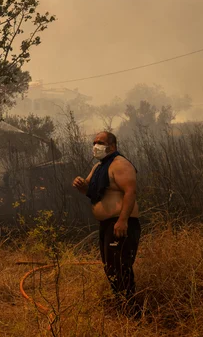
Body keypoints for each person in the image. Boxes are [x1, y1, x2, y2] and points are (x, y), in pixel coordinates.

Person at [72, 131, 141, 312]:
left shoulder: (121, 164)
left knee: (120, 267)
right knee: (111, 268)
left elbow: (130, 192)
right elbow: (90, 190)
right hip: (107, 225)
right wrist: (81, 185)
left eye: (100, 142)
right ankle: (122, 306)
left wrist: (122, 220)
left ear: (112, 146)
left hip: (121, 224)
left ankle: (131, 311)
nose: (96, 146)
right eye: (94, 142)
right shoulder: (98, 168)